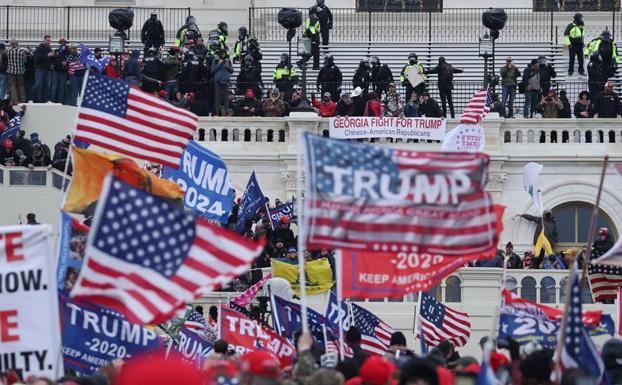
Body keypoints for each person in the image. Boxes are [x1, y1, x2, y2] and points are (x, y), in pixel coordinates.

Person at [32, 35, 54, 103]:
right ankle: (32, 99)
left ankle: (46, 100)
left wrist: (54, 58)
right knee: (38, 84)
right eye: (47, 40)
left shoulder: (50, 49)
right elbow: (37, 58)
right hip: (40, 69)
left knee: (47, 85)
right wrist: (47, 55)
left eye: (49, 41)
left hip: (48, 69)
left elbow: (51, 59)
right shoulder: (39, 48)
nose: (48, 42)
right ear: (44, 40)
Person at [211, 50, 233, 116]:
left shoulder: (228, 61)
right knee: (217, 97)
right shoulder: (215, 60)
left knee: (226, 98)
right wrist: (219, 64)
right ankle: (217, 112)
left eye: (224, 54)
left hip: (226, 81)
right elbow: (212, 70)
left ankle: (226, 112)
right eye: (222, 54)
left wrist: (227, 66)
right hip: (218, 81)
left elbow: (231, 71)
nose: (223, 55)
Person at [6, 39, 28, 104]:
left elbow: (7, 59)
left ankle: (14, 101)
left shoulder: (8, 51)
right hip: (20, 71)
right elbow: (25, 61)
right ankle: (22, 100)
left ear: (11, 44)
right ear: (17, 44)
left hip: (11, 71)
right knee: (21, 86)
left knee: (12, 86)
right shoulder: (21, 51)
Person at [49, 38, 69, 104]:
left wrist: (66, 62)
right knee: (54, 87)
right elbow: (52, 59)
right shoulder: (56, 51)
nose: (62, 43)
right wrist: (52, 64)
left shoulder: (68, 51)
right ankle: (52, 101)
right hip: (56, 70)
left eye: (64, 42)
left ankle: (60, 101)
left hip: (63, 71)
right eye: (61, 42)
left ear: (66, 43)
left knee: (61, 87)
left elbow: (69, 60)